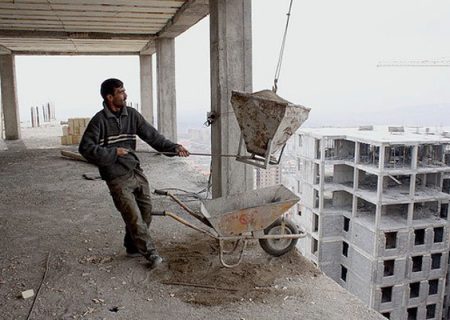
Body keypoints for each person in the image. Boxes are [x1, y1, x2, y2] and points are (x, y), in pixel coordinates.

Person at [79, 78, 189, 268]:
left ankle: (131, 247)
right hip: (116, 176)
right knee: (134, 218)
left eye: (124, 90)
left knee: (146, 213)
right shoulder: (99, 121)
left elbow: (153, 136)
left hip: (135, 171)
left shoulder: (131, 115)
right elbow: (85, 148)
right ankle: (151, 254)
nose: (125, 94)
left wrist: (175, 148)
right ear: (110, 97)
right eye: (121, 92)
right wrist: (113, 152)